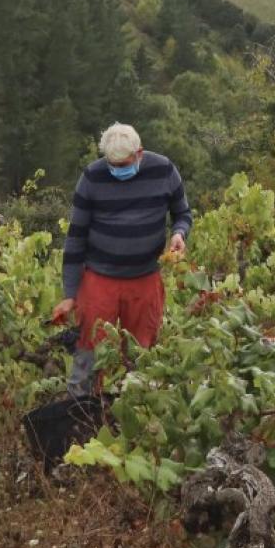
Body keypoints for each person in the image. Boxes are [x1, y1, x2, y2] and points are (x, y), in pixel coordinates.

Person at [50, 123, 192, 397]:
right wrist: (70, 293)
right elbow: (76, 238)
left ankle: (135, 409)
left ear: (139, 154)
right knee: (89, 351)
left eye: (124, 164)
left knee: (142, 352)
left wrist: (178, 234)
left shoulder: (163, 170)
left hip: (145, 279)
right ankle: (80, 409)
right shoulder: (92, 177)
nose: (117, 170)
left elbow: (183, 214)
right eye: (112, 164)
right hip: (99, 280)